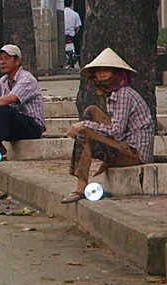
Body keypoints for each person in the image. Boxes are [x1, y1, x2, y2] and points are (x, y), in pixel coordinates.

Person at [61, 48, 154, 203]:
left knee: (84, 132)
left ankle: (80, 188)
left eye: (107, 71)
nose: (102, 74)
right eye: (99, 71)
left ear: (115, 73)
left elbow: (116, 131)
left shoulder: (124, 94)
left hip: (135, 153)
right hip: (123, 144)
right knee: (91, 111)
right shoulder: (112, 94)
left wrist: (85, 125)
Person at [64, 0, 82, 68]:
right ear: (71, 4)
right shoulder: (75, 14)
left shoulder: (61, 13)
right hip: (72, 35)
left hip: (63, 35)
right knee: (76, 49)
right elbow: (78, 27)